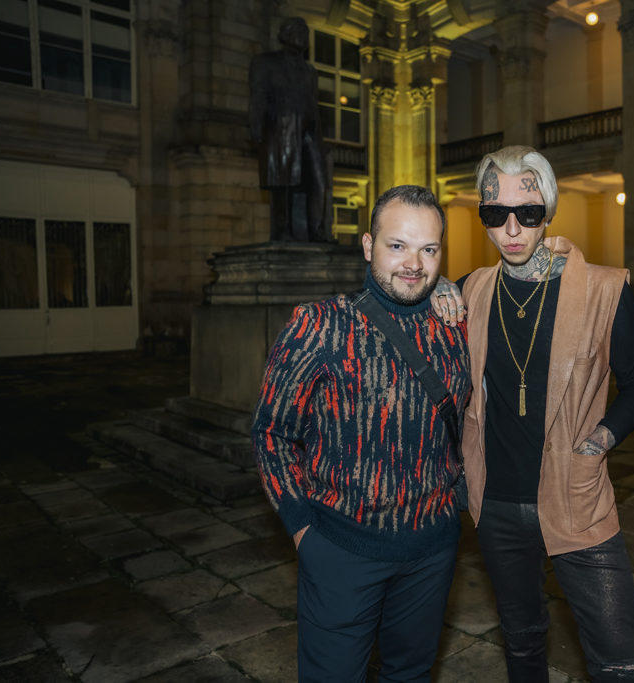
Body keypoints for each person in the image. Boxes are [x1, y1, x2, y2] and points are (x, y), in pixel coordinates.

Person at [431, 146, 634, 682]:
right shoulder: (472, 290)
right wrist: (439, 285)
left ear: (548, 211)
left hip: (575, 496)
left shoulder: (605, 289)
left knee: (618, 659)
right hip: (497, 504)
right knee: (522, 643)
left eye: (526, 213)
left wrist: (599, 442)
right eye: (495, 213)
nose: (511, 228)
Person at [250, 185, 471, 682]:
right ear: (369, 246)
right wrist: (302, 527)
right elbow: (271, 432)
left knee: (411, 675)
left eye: (428, 249)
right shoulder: (320, 326)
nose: (413, 263)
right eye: (397, 246)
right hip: (340, 551)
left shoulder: (457, 326)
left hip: (431, 551)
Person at [248, 17, 333, 243]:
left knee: (319, 181)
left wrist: (320, 138)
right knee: (283, 184)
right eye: (297, 30)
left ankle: (317, 230)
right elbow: (258, 97)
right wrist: (256, 128)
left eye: (305, 32)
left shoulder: (310, 71)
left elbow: (314, 105)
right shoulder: (265, 62)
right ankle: (282, 230)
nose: (303, 36)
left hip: (309, 132)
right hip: (280, 131)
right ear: (284, 34)